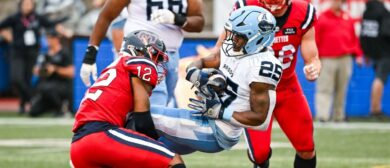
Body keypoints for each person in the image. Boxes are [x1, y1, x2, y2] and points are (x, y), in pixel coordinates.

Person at [143, 6, 281, 155]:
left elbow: (260, 120)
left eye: (238, 36)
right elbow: (205, 61)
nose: (232, 39)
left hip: (218, 132)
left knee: (144, 114)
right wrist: (193, 72)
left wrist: (221, 112)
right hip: (205, 117)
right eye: (232, 33)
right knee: (157, 147)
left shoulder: (262, 67)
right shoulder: (234, 48)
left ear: (256, 39)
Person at [208, 0, 321, 167]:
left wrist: (313, 67)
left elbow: (313, 57)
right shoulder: (245, 8)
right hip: (251, 91)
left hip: (286, 89)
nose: (273, 7)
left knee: (306, 148)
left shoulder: (303, 12)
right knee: (259, 154)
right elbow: (221, 49)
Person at [70, 31, 185, 168]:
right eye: (154, 55)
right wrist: (161, 140)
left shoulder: (113, 68)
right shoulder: (138, 64)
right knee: (173, 160)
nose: (156, 62)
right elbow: (142, 119)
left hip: (78, 145)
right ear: (138, 51)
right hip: (101, 136)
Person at [80, 0, 205, 107]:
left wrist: (177, 19)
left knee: (164, 104)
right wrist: (90, 56)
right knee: (155, 104)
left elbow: (199, 23)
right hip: (141, 52)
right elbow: (106, 15)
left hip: (171, 53)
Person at [0, 0, 68, 114]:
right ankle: (31, 99)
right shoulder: (15, 17)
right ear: (20, 5)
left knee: (27, 79)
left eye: (30, 4)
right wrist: (8, 37)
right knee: (16, 79)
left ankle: (23, 105)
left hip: (32, 52)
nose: (27, 7)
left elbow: (50, 24)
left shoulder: (36, 18)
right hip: (17, 52)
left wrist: (62, 27)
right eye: (25, 4)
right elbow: (2, 26)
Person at [315, 0, 364, 122]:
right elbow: (315, 39)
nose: (337, 3)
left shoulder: (347, 18)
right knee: (324, 87)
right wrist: (315, 58)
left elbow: (353, 39)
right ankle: (323, 115)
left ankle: (339, 115)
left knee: (342, 89)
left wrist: (358, 55)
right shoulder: (323, 17)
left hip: (345, 58)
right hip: (327, 58)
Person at [29, 28, 74, 117]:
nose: (48, 41)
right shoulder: (44, 54)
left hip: (62, 84)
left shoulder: (65, 52)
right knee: (33, 111)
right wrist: (39, 70)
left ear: (56, 39)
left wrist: (55, 69)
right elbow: (36, 70)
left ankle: (62, 108)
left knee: (47, 88)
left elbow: (72, 72)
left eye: (50, 38)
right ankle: (53, 106)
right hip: (46, 86)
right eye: (47, 38)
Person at [360, 0, 390, 118]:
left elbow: (364, 34)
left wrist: (366, 52)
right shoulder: (383, 12)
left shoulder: (367, 12)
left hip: (373, 52)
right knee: (380, 78)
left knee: (378, 78)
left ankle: (374, 107)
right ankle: (375, 109)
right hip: (385, 52)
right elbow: (386, 32)